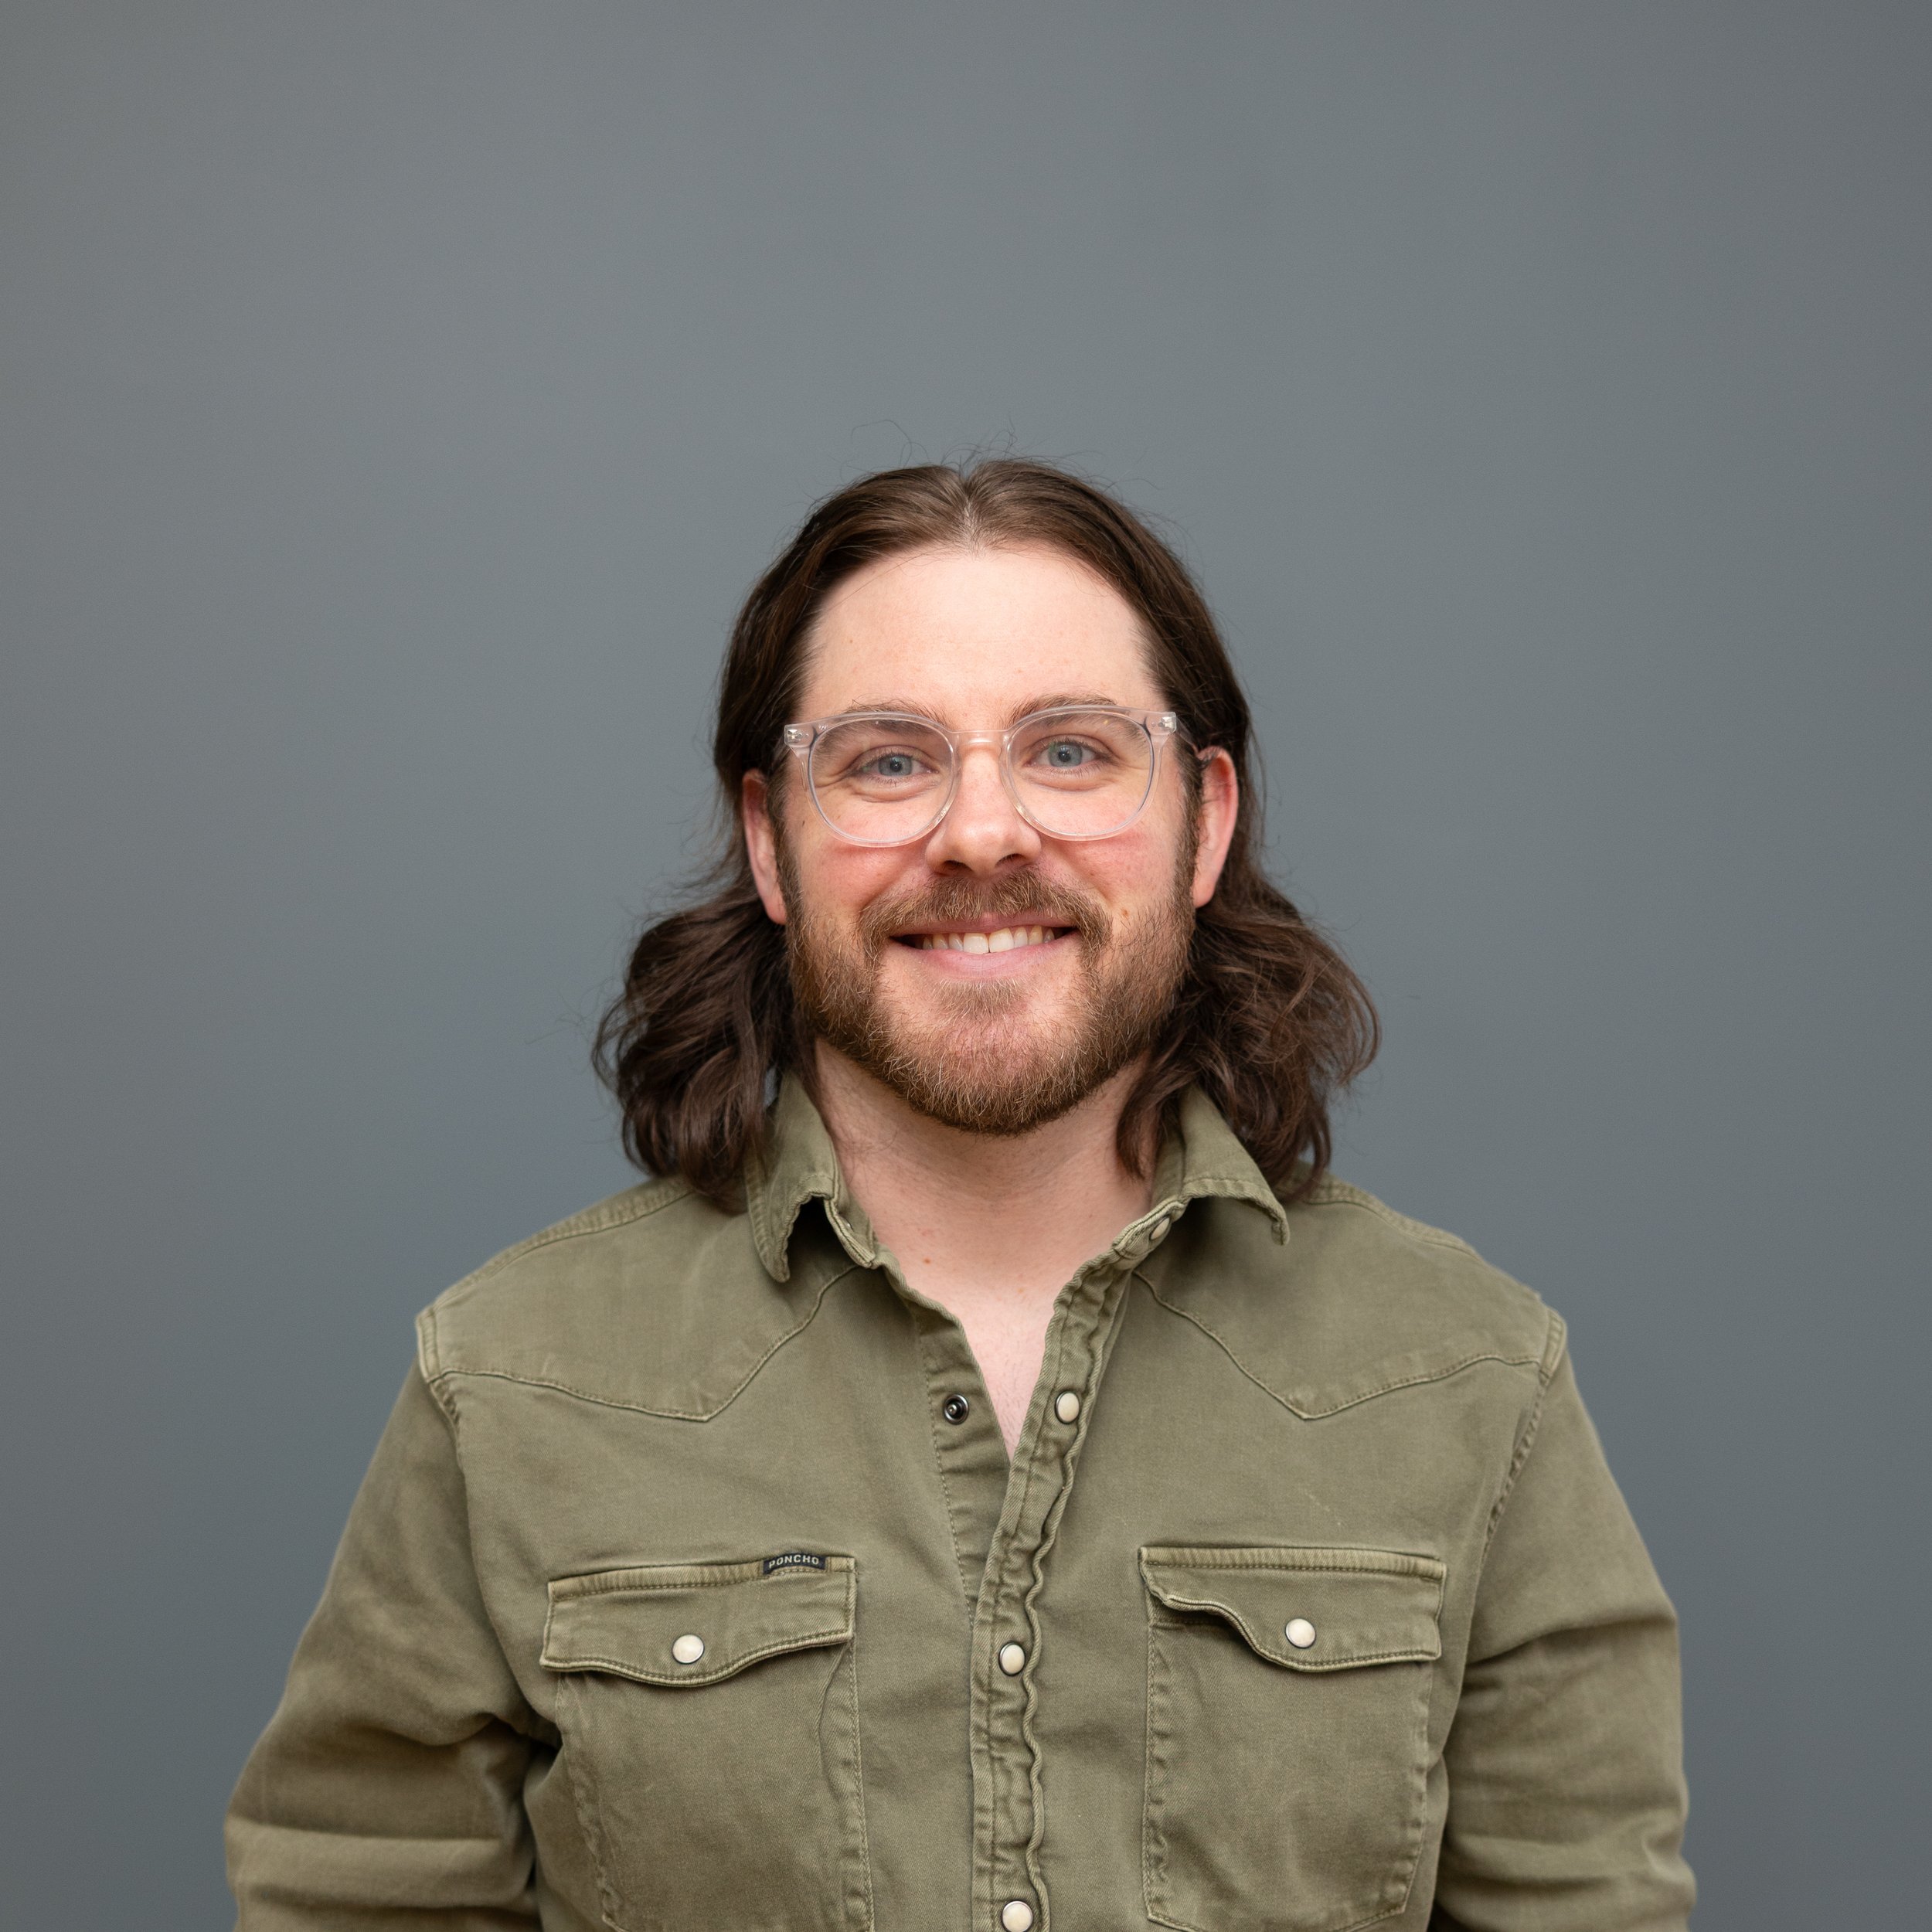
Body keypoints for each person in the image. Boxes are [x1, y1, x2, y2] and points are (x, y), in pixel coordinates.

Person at [226, 459, 1695, 1931]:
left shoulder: (1473, 1380)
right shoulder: (509, 1384)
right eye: (887, 762)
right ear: (770, 841)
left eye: (1072, 750)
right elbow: (355, 1894)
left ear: (1205, 819)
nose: (983, 832)